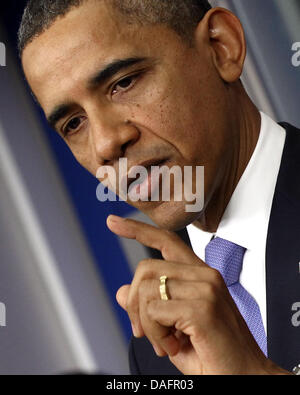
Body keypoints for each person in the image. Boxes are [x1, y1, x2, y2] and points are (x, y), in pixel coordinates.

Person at [18, 0, 299, 375]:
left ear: (221, 47)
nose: (104, 144)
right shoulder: (154, 349)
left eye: (123, 83)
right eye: (73, 124)